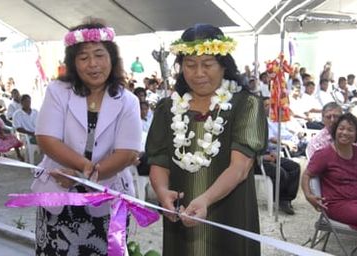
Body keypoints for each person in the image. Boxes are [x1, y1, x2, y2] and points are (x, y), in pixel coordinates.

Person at [146, 24, 267, 256]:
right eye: (190, 65)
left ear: (224, 65)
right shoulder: (168, 108)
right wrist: (162, 192)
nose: (198, 73)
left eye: (208, 64)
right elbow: (158, 160)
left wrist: (206, 200)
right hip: (180, 214)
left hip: (228, 213)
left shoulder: (246, 105)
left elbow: (240, 167)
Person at [32, 19, 141, 255]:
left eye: (99, 55)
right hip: (59, 192)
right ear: (73, 63)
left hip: (108, 196)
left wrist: (84, 175)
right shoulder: (57, 91)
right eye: (83, 57)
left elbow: (128, 152)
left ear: (112, 58)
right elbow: (47, 139)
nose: (93, 64)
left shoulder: (128, 101)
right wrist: (83, 166)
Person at [301, 113, 357, 229]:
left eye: (350, 130)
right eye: (341, 128)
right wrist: (308, 195)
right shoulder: (324, 154)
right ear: (335, 131)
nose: (345, 133)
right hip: (337, 204)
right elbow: (306, 174)